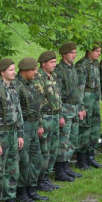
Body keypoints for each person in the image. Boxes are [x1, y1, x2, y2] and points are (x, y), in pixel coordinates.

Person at [0, 58, 28, 202]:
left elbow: (18, 113)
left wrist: (20, 134)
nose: (14, 72)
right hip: (1, 134)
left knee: (12, 169)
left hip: (12, 133)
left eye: (14, 69)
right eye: (11, 70)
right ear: (2, 72)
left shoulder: (13, 88)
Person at [13, 57, 47, 202]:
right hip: (24, 125)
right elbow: (15, 111)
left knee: (35, 157)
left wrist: (39, 124)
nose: (36, 72)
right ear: (24, 71)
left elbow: (36, 106)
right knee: (24, 160)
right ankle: (21, 191)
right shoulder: (17, 86)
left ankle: (31, 188)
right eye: (33, 70)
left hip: (33, 124)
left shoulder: (31, 83)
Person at [54, 43, 85, 179]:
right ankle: (59, 169)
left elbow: (78, 91)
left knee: (72, 139)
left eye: (75, 52)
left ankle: (66, 166)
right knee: (63, 140)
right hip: (65, 108)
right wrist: (60, 114)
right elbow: (57, 95)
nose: (74, 55)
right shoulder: (59, 70)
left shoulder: (73, 69)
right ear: (64, 54)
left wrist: (81, 107)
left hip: (75, 107)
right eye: (71, 53)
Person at [33, 51, 63, 191]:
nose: (54, 64)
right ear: (43, 64)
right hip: (45, 118)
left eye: (55, 62)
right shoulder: (39, 78)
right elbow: (37, 103)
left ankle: (46, 176)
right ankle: (39, 179)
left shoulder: (53, 76)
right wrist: (39, 124)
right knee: (44, 150)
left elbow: (57, 97)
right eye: (51, 62)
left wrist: (60, 115)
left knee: (53, 148)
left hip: (55, 116)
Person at [75, 45, 102, 169]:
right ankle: (81, 159)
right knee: (84, 129)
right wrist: (81, 106)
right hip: (86, 100)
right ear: (89, 51)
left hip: (94, 99)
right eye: (96, 51)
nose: (99, 53)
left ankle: (91, 156)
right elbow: (80, 88)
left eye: (100, 51)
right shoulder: (82, 65)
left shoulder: (95, 63)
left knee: (95, 128)